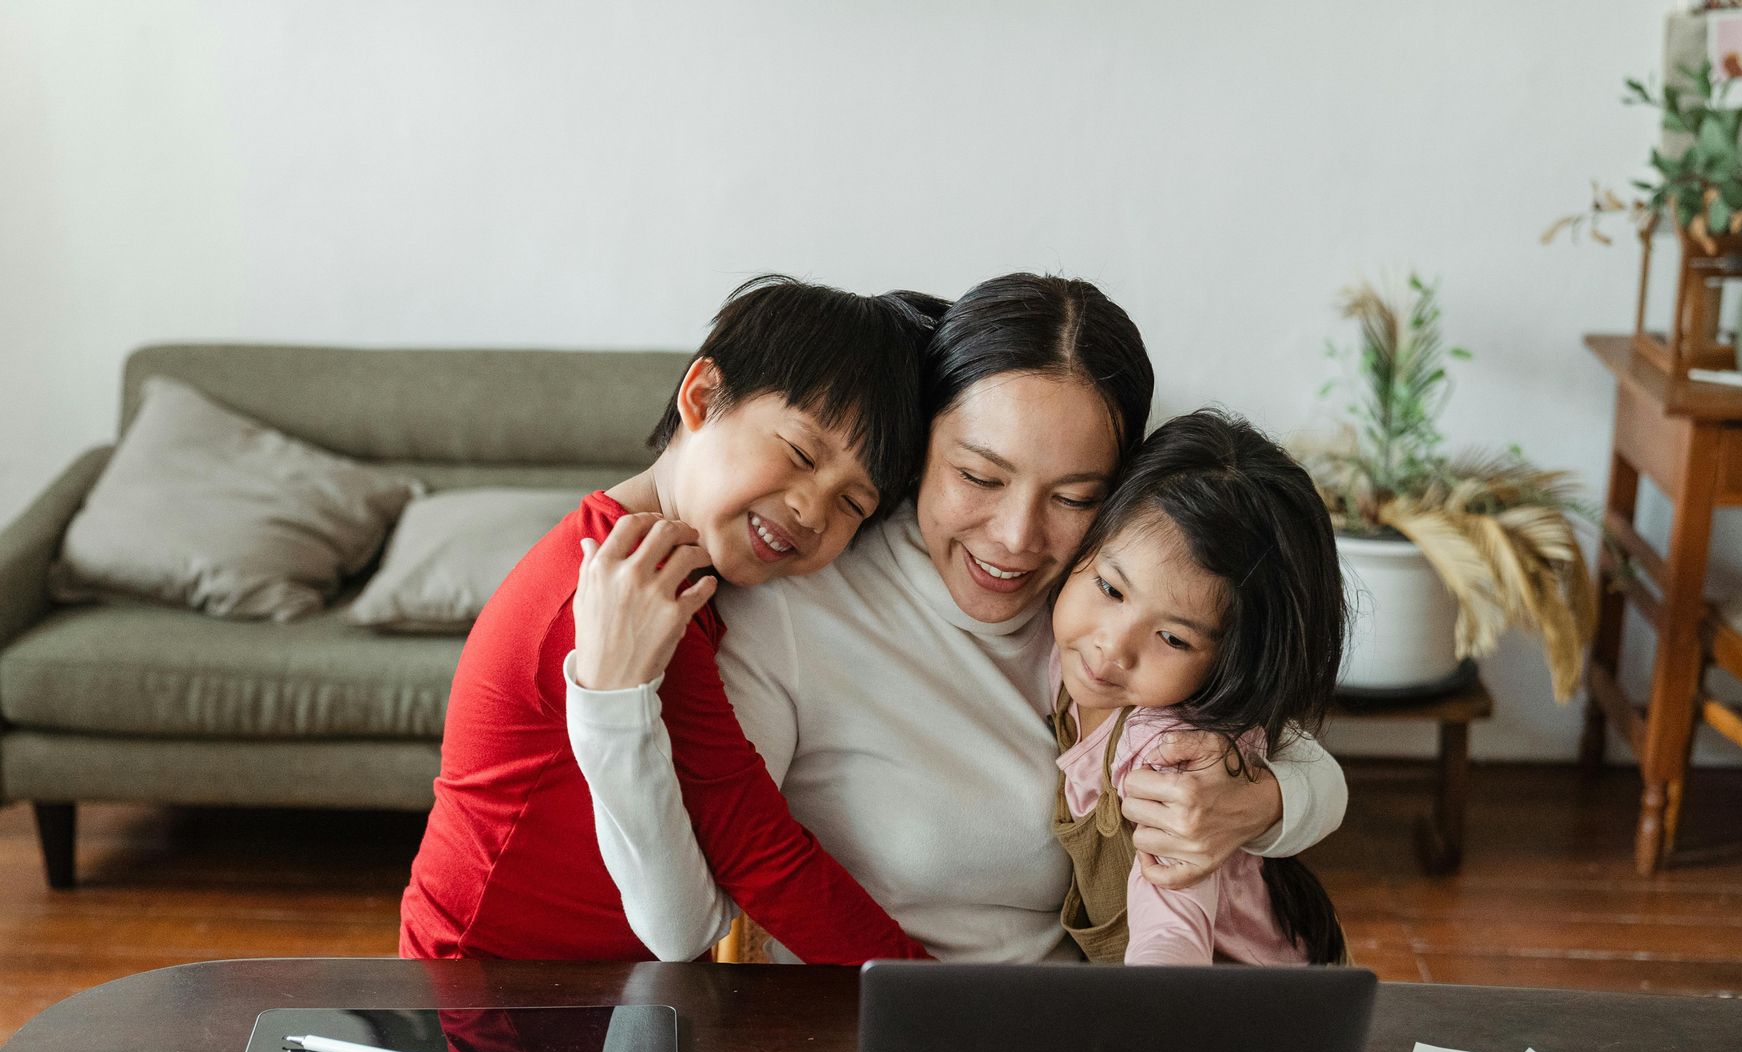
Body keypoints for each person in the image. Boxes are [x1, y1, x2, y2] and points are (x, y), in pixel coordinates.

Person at [566, 273, 1350, 962]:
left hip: (1079, 1040)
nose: (1016, 539)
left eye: (1074, 497)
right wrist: (608, 703)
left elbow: (1297, 753)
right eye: (979, 476)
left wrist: (1260, 803)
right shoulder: (795, 607)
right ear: (917, 449)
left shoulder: (1102, 610)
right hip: (876, 1050)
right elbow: (685, 922)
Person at [398, 276, 937, 962]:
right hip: (487, 994)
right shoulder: (628, 591)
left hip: (582, 987)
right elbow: (757, 857)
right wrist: (934, 1002)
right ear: (702, 396)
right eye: (801, 455)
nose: (811, 509)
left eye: (852, 504)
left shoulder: (683, 569)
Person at [1045, 409, 1349, 966]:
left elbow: (1172, 934)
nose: (1112, 647)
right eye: (1111, 589)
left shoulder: (1170, 751)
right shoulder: (1064, 664)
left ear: (1230, 662)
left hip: (1258, 1004)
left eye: (1172, 638)